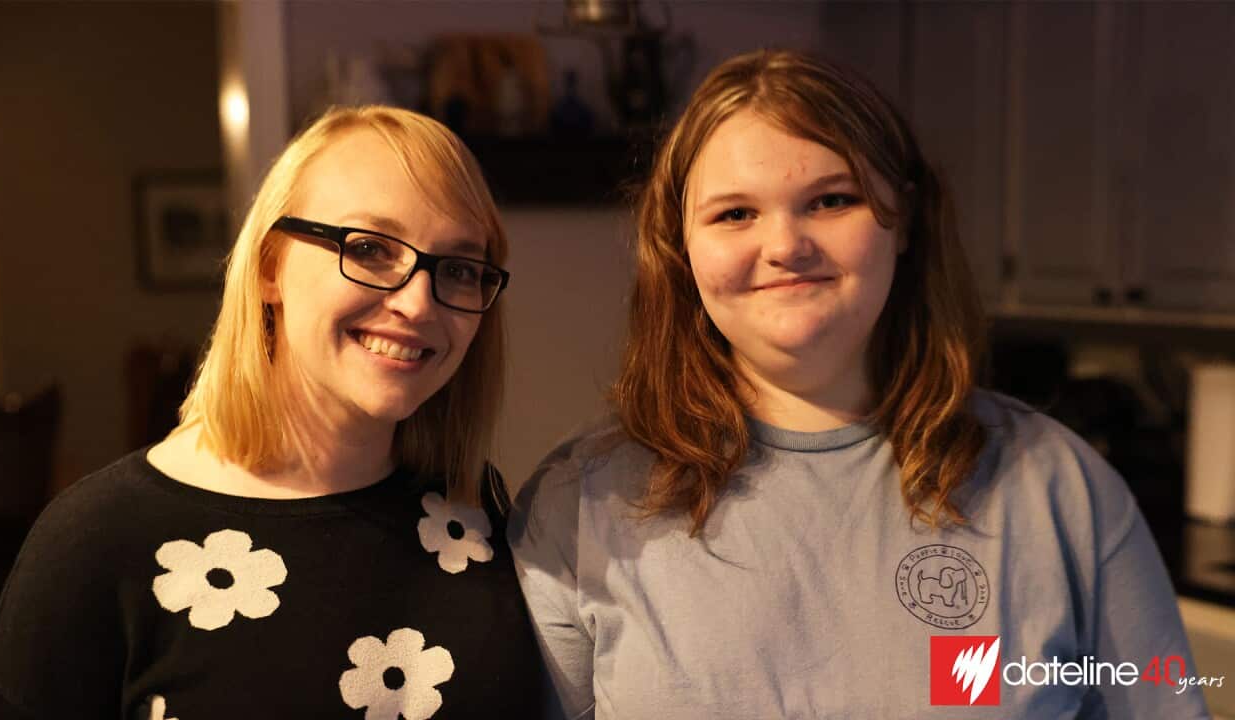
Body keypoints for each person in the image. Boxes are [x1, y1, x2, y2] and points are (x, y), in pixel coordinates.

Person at [510, 50, 1209, 719]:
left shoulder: (1061, 491)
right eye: (734, 213)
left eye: (831, 200)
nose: (784, 245)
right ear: (679, 245)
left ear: (903, 220)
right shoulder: (583, 499)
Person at [0, 106, 544, 719]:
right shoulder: (95, 541)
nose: (417, 303)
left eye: (459, 269)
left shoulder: (477, 510)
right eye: (372, 249)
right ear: (271, 266)